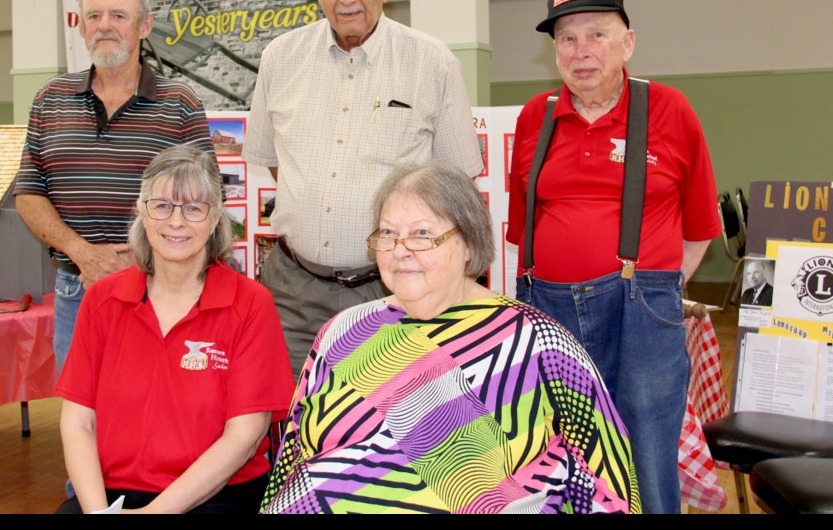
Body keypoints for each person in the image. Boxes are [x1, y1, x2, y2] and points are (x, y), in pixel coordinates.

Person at [261, 161, 639, 514]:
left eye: (422, 234)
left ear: (470, 244)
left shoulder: (538, 342)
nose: (400, 250)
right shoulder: (343, 332)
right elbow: (295, 453)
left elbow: (607, 472)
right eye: (388, 234)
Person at [506, 0, 720, 513]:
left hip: (642, 309)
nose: (581, 52)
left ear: (628, 43)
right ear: (553, 51)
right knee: (552, 450)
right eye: (567, 39)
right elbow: (520, 225)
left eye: (597, 34)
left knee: (646, 448)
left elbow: (699, 228)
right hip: (545, 308)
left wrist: (652, 288)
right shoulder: (536, 115)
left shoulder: (669, 109)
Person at [243, 0, 482, 377]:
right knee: (294, 424)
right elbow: (277, 162)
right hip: (293, 293)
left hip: (395, 289)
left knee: (392, 428)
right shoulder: (279, 58)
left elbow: (456, 186)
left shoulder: (431, 62)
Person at [55, 145, 295, 514]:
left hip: (218, 495)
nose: (176, 222)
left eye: (194, 208)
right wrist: (95, 511)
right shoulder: (103, 300)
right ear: (142, 211)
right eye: (162, 205)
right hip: (113, 495)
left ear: (216, 217)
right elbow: (78, 422)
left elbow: (245, 436)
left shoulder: (249, 304)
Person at [15, 0, 214, 372]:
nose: (104, 24)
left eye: (119, 15)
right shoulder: (50, 99)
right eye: (94, 15)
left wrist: (141, 260)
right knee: (82, 416)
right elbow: (28, 193)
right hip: (77, 289)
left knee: (157, 412)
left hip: (159, 288)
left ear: (144, 26)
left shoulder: (179, 103)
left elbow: (204, 201)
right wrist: (83, 254)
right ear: (82, 27)